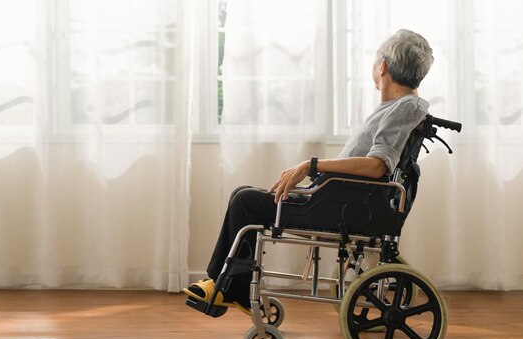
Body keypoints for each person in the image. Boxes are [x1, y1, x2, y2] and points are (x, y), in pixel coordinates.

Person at [183, 29, 434, 314]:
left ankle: (225, 287)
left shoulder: (404, 107)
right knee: (243, 195)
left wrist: (309, 166)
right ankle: (227, 287)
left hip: (340, 207)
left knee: (245, 203)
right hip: (337, 199)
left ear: (383, 67)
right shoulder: (398, 106)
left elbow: (378, 165)